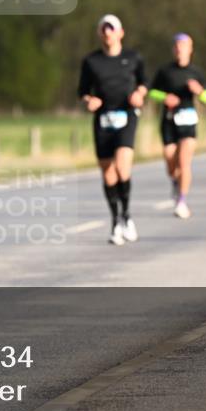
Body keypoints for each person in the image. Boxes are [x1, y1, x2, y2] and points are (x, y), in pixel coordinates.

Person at [78, 15, 148, 245]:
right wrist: (89, 101)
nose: (108, 33)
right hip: (103, 119)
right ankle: (116, 220)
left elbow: (144, 83)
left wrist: (140, 94)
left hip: (127, 116)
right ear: (100, 34)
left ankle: (127, 215)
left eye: (112, 29)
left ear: (120, 32)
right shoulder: (91, 61)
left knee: (122, 165)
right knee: (108, 172)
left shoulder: (133, 58)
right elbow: (83, 92)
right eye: (104, 29)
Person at [149, 33, 206, 219]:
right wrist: (164, 97)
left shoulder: (196, 72)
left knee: (184, 162)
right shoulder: (165, 71)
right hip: (168, 120)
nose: (180, 50)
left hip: (188, 120)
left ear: (190, 50)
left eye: (184, 46)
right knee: (171, 163)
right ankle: (176, 183)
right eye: (177, 46)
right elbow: (152, 92)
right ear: (173, 49)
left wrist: (199, 91)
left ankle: (182, 201)